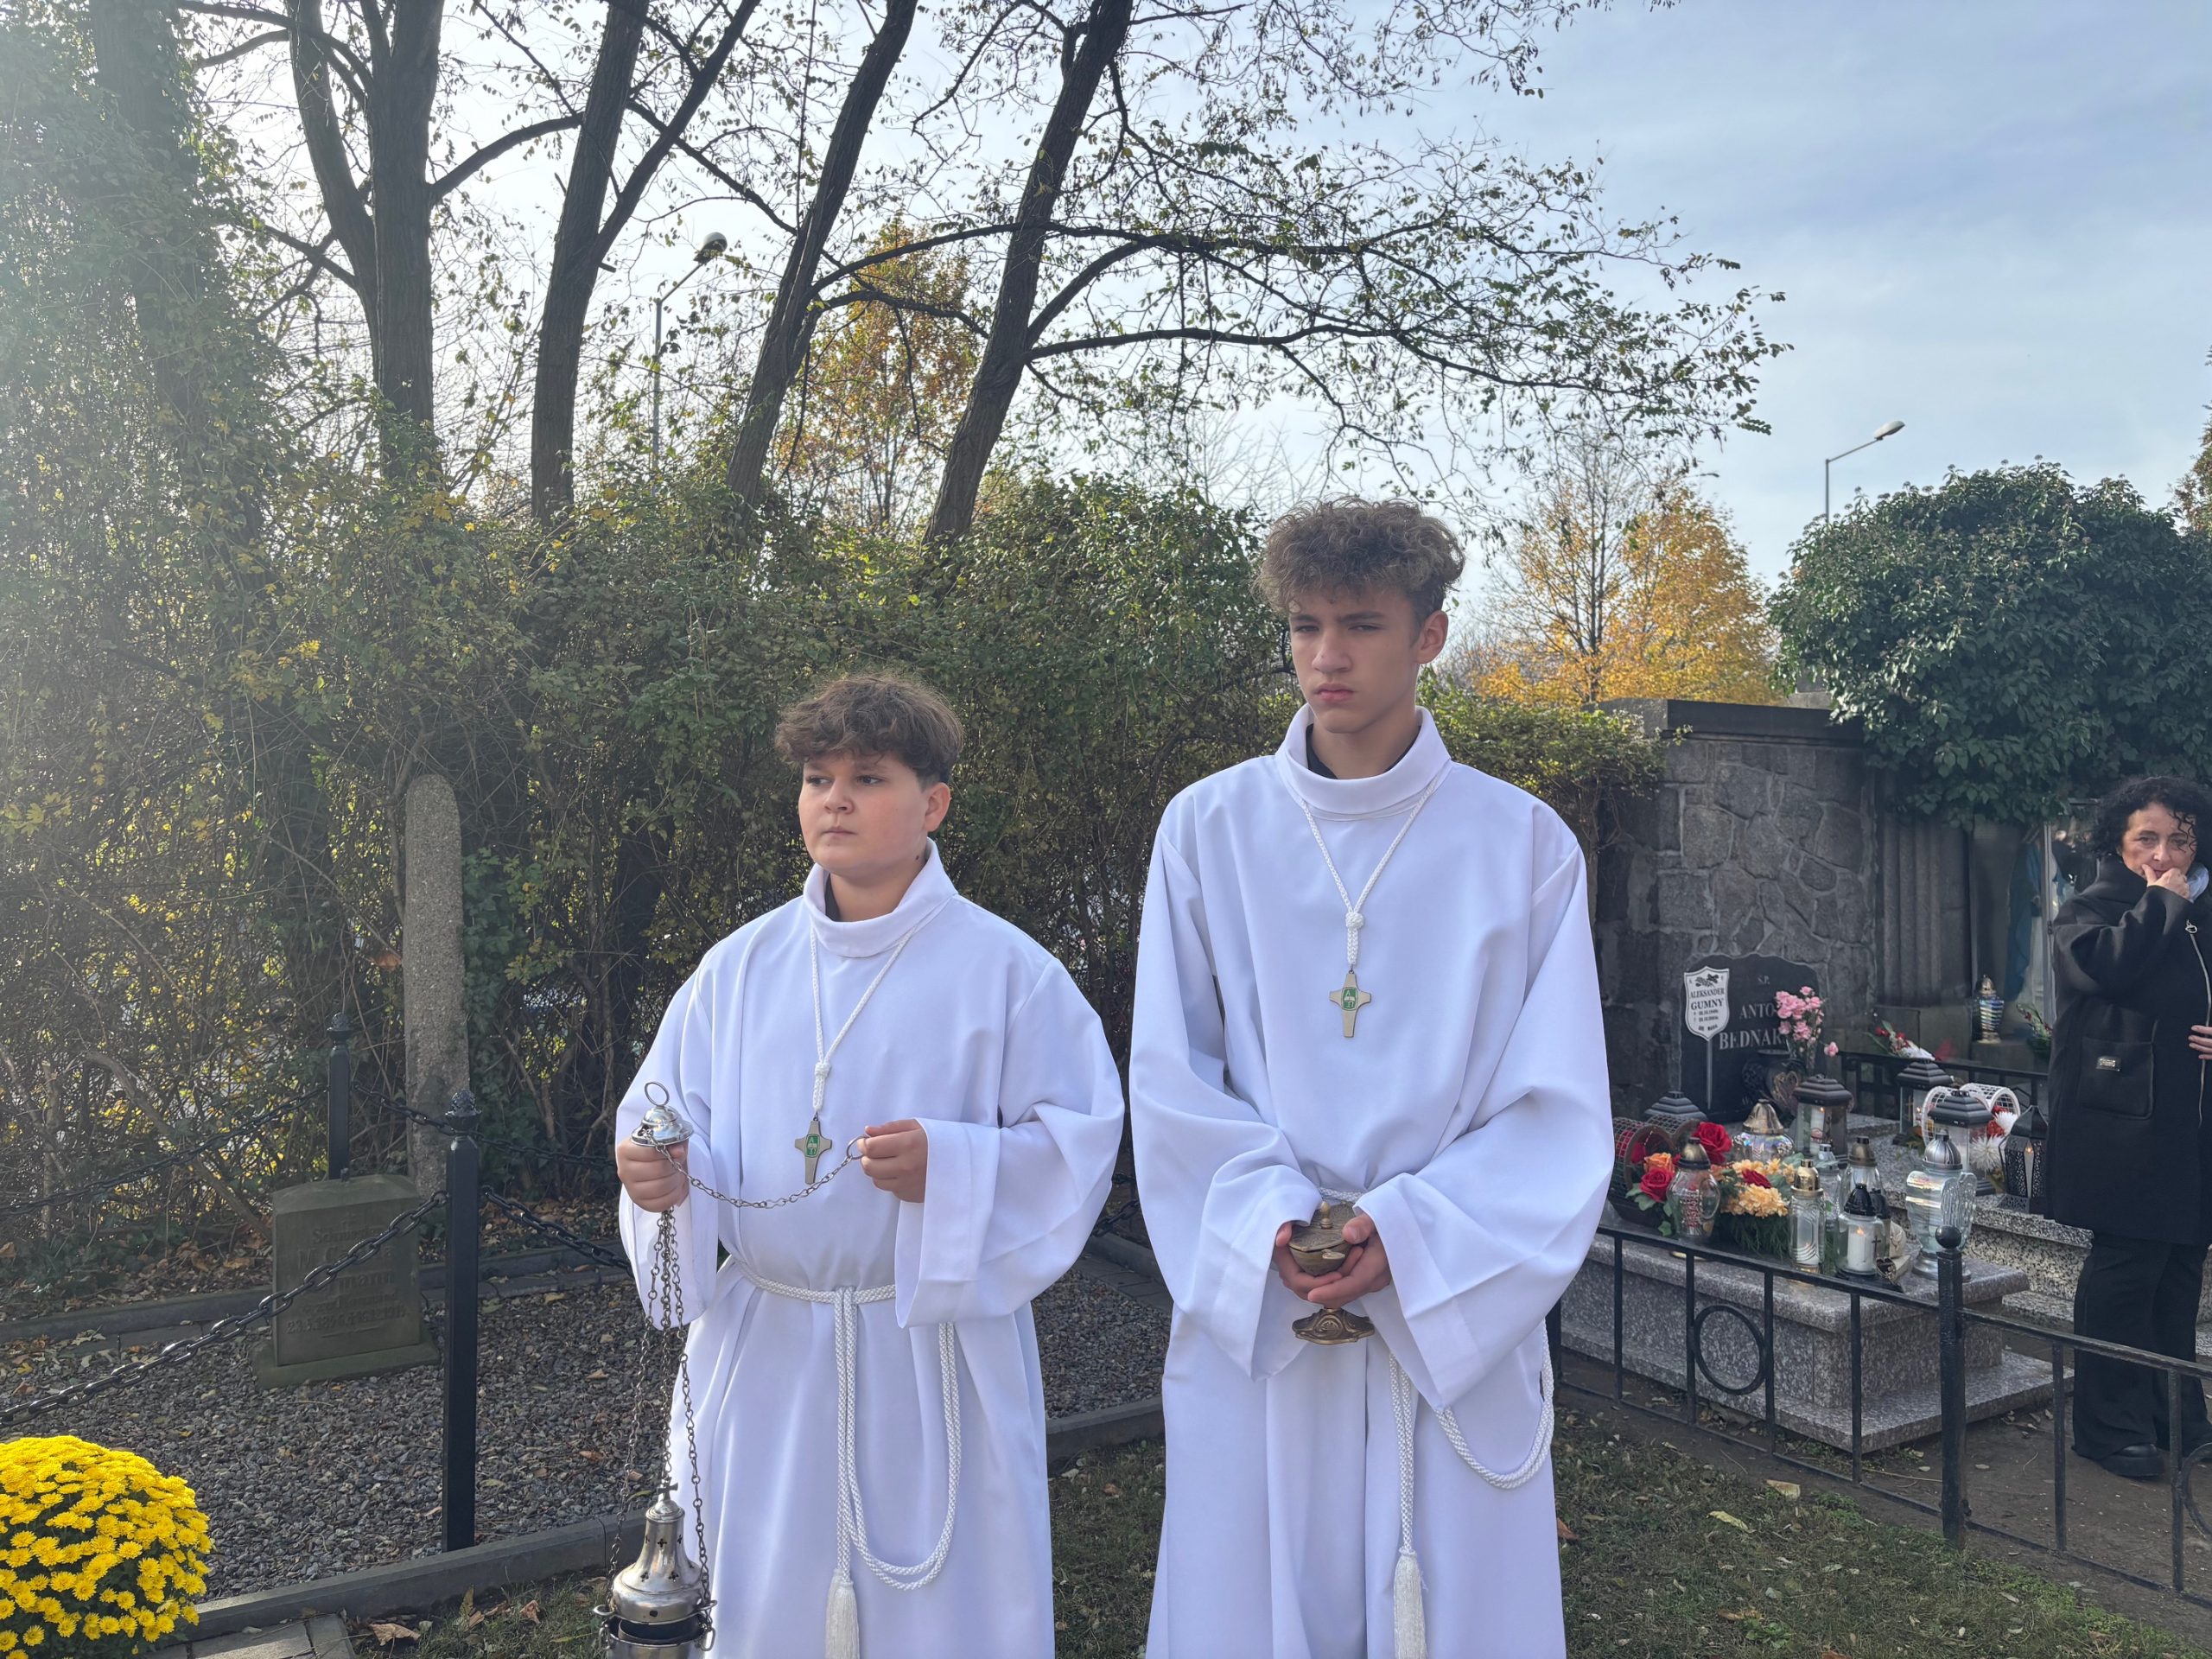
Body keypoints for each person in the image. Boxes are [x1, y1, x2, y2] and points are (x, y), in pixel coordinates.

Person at [1129, 499, 1613, 1658]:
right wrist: (1270, 1220)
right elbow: (1172, 1073)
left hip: (1443, 1302)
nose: (1326, 657)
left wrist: (1408, 1233)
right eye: (1304, 626)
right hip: (1269, 1297)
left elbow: (1554, 1104)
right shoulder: (1208, 828)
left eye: (1360, 625)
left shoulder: (1522, 844)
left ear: (1429, 636)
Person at [611, 673, 1124, 1656]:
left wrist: (955, 1166)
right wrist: (658, 1173)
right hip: (766, 1349)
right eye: (817, 779)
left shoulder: (1008, 972)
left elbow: (1080, 1139)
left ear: (933, 804)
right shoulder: (738, 968)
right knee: (767, 1602)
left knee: (938, 1618)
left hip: (929, 1353)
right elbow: (663, 1114)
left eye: (867, 778)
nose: (834, 800)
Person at [2048, 773, 2212, 1482]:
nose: (2164, 854)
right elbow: (2106, 970)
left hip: (2192, 1127)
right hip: (2122, 1127)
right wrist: (2162, 903)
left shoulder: (2204, 911)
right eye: (2148, 838)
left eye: (2180, 840)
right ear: (2118, 841)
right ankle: (2107, 1426)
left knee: (2178, 1271)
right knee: (2127, 1269)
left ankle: (2174, 1415)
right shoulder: (2090, 909)